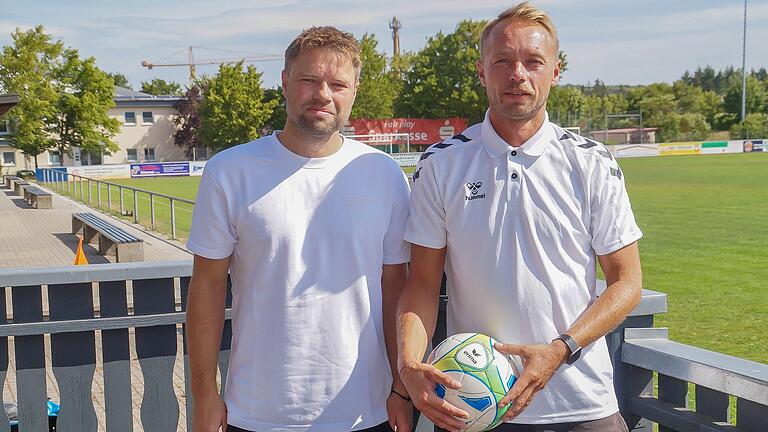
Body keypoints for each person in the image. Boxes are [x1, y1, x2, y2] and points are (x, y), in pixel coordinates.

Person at [396, 3, 643, 432]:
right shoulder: (441, 165)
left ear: (555, 71)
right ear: (481, 71)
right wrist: (409, 366)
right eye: (503, 61)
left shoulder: (591, 162)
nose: (518, 74)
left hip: (581, 403)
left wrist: (560, 349)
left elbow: (627, 283)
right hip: (471, 408)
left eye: (533, 62)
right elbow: (421, 284)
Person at [186, 26, 412, 432]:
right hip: (256, 413)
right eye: (309, 80)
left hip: (365, 411)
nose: (323, 94)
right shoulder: (229, 171)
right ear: (286, 82)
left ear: (354, 91)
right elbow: (207, 287)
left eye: (338, 84)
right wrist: (204, 395)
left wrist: (401, 388)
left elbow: (395, 285)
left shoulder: (384, 174)